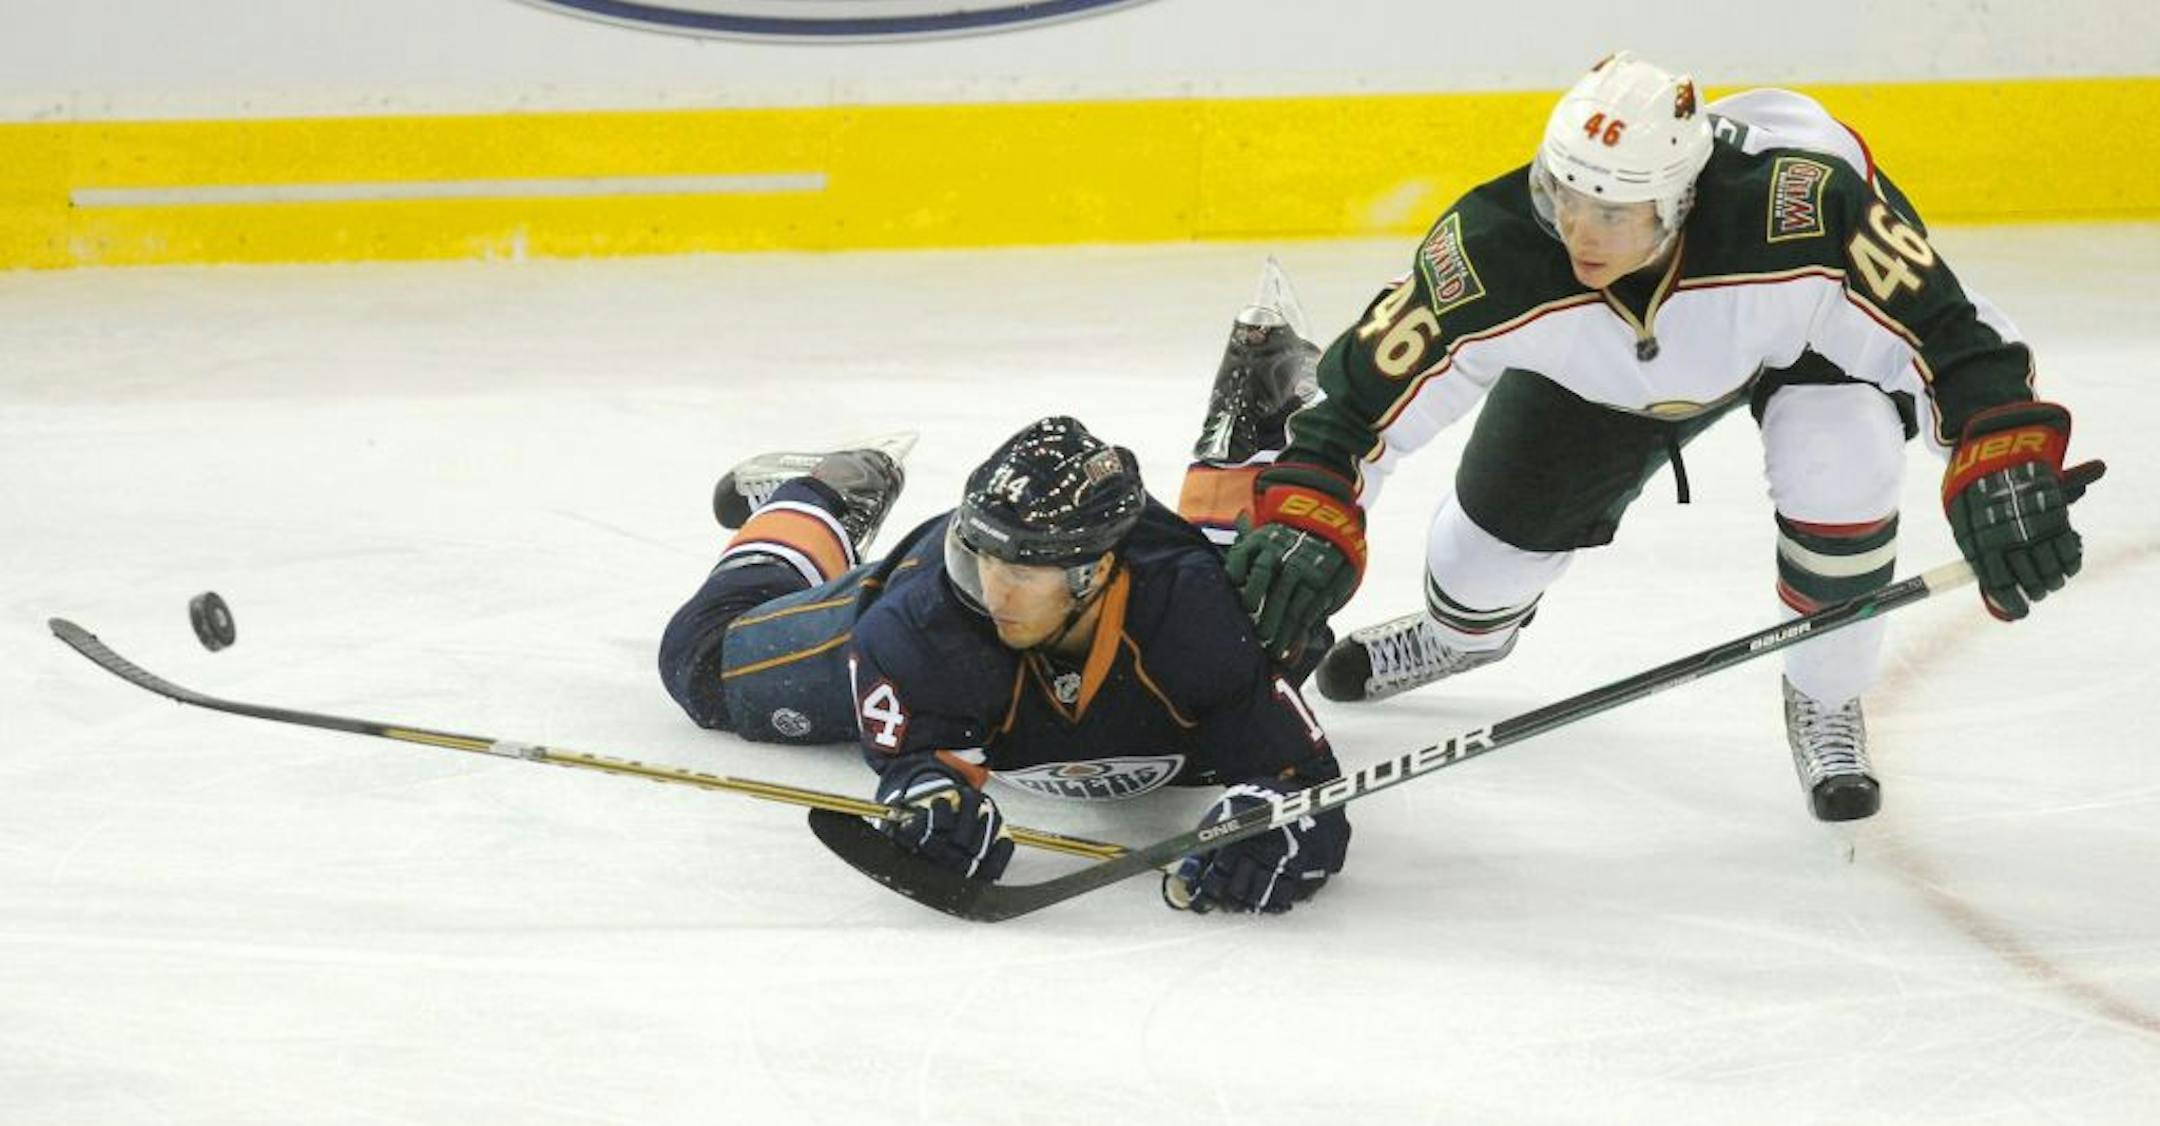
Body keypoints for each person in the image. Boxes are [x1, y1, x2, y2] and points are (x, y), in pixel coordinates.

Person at [1222, 52, 2104, 823]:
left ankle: (1826, 696)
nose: (1578, 232)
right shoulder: (1496, 251)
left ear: (1679, 201)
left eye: (1613, 214)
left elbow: (1954, 337)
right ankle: (1463, 634)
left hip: (1805, 344)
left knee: (1842, 463)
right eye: (1564, 196)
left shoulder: (1803, 214)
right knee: (1480, 561)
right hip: (1610, 378)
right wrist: (1314, 505)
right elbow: (1357, 403)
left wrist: (2001, 455)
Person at [657, 322, 1349, 912]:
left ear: (1094, 571)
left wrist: (1280, 826)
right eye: (983, 558)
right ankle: (824, 493)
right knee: (700, 664)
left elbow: (1303, 783)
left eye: (1022, 572)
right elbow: (921, 758)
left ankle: (1255, 398)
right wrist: (932, 801)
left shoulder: (1192, 618)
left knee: (1283, 626)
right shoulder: (922, 621)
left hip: (1172, 590)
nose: (994, 593)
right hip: (924, 584)